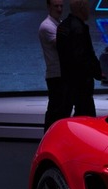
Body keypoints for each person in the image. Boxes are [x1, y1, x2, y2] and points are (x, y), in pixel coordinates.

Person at [57, 0, 102, 118]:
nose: (89, 10)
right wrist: (97, 72)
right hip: (81, 83)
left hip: (67, 80)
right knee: (87, 118)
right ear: (81, 7)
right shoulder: (79, 29)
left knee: (63, 114)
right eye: (87, 6)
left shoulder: (63, 26)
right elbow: (83, 56)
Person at [39, 0, 65, 131]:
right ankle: (48, 138)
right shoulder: (47, 26)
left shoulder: (58, 24)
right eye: (56, 6)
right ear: (49, 6)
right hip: (55, 75)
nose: (59, 9)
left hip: (60, 74)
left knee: (60, 110)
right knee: (55, 111)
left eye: (61, 6)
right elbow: (62, 45)